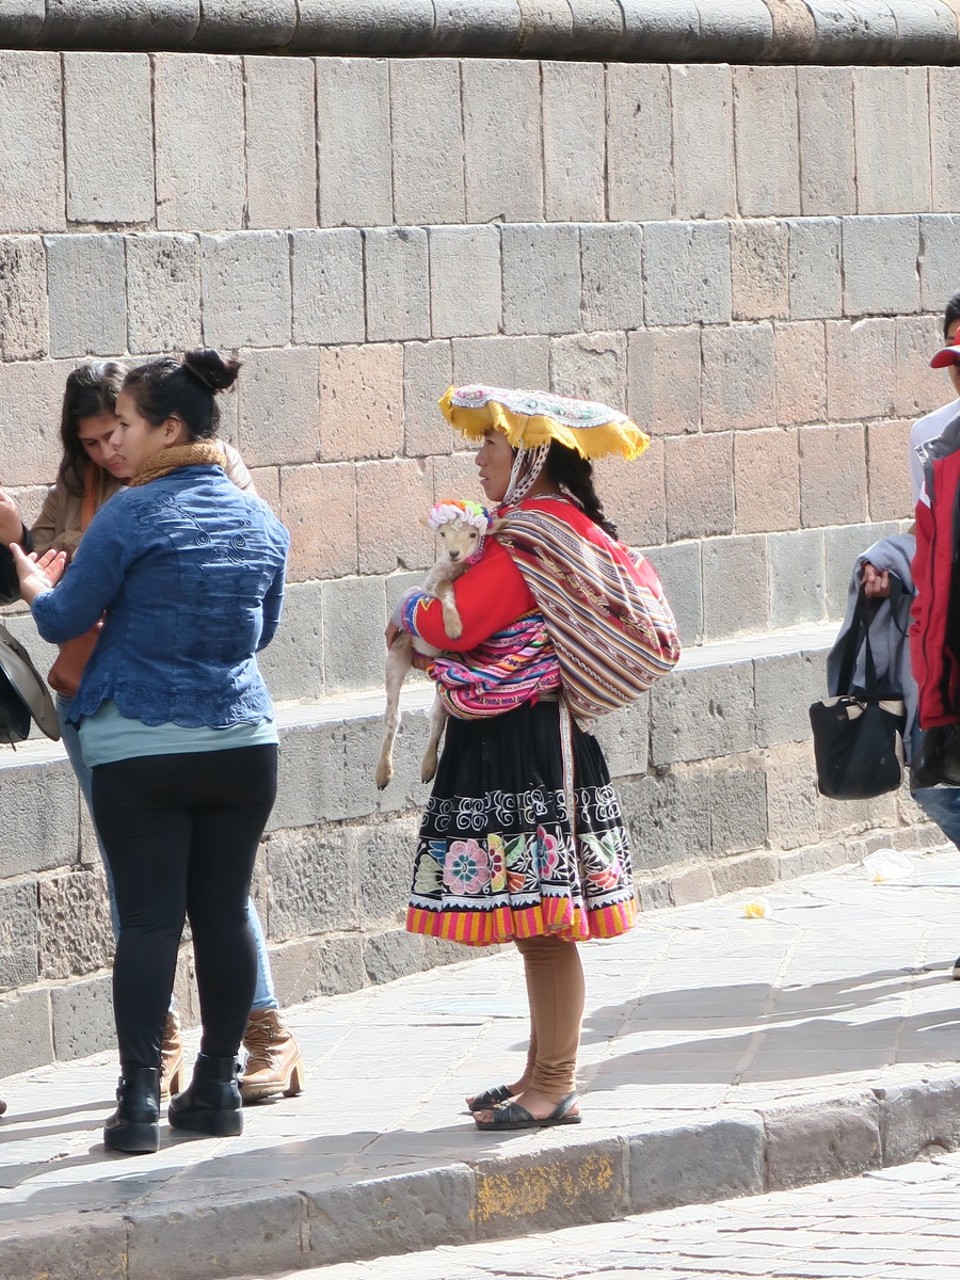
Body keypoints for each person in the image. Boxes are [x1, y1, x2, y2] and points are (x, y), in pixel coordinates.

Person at [10, 350, 290, 1154]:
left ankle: (137, 1103)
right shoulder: (261, 517)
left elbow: (64, 620)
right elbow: (260, 633)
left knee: (149, 921)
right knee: (224, 913)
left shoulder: (131, 513)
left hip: (138, 744)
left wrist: (31, 578)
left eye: (126, 424)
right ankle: (217, 1087)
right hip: (242, 741)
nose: (117, 442)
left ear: (170, 428)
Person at [388, 385, 676, 1129]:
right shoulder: (540, 529)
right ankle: (538, 1072)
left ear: (531, 456)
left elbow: (456, 624)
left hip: (530, 745)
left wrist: (410, 614)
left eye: (491, 444)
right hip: (521, 738)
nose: (479, 458)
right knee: (531, 922)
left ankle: (556, 1082)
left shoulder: (532, 537)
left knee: (545, 926)